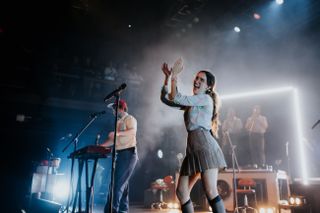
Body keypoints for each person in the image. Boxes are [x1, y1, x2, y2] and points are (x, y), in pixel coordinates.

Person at [160, 58, 227, 213]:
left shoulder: (205, 98)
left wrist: (175, 77)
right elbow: (166, 99)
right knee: (182, 192)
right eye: (196, 78)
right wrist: (167, 78)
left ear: (208, 86)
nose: (197, 81)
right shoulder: (193, 102)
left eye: (201, 80)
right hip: (192, 148)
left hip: (204, 146)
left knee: (210, 191)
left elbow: (176, 97)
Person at [100, 99, 138, 213]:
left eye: (114, 108)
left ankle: (112, 210)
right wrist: (99, 146)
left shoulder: (130, 118)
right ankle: (123, 209)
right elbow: (113, 140)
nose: (113, 111)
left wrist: (117, 133)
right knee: (122, 184)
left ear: (121, 108)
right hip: (121, 154)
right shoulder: (118, 122)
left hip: (129, 153)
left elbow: (132, 131)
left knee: (117, 184)